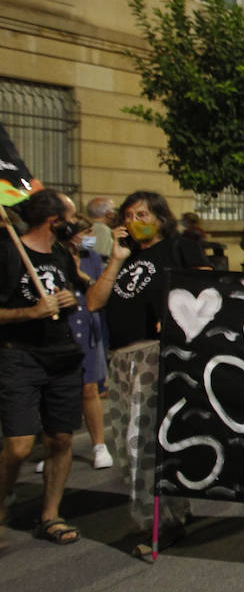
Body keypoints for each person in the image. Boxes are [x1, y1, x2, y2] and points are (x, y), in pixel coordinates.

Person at [0, 189, 83, 546]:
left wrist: (69, 301)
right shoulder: (7, 251)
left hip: (63, 356)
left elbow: (72, 300)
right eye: (70, 219)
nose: (75, 226)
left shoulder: (61, 255)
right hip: (20, 355)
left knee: (61, 438)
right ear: (55, 221)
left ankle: (50, 515)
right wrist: (29, 312)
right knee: (19, 446)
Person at [87, 191, 211, 352]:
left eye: (141, 215)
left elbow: (206, 287)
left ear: (161, 220)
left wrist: (173, 316)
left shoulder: (181, 247)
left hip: (160, 349)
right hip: (120, 352)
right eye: (128, 216)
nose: (133, 221)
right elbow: (93, 303)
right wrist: (116, 260)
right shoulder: (125, 253)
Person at [64, 216, 111, 469]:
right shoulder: (57, 255)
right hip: (65, 328)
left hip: (87, 325)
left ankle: (99, 445)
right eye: (87, 232)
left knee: (89, 388)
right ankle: (58, 447)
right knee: (61, 391)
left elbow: (101, 289)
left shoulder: (91, 257)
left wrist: (84, 277)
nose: (91, 236)